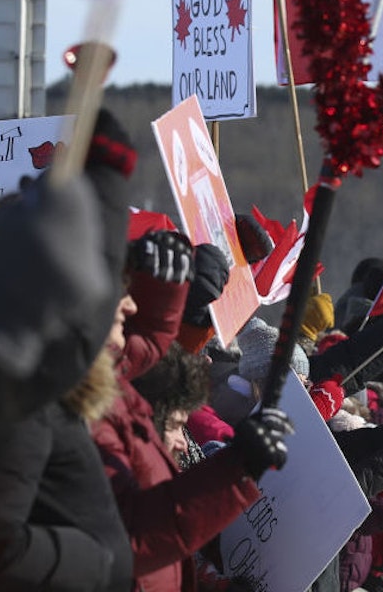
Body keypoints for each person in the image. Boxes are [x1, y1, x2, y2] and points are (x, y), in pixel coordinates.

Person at [0, 110, 138, 591]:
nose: (121, 303)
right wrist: (98, 560)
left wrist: (106, 183)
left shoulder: (46, 370)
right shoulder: (17, 387)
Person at [92, 230, 294, 592]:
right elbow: (139, 536)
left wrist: (196, 302)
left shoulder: (131, 412)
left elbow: (152, 356)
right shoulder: (95, 425)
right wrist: (235, 467)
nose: (184, 443)